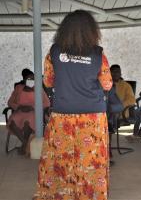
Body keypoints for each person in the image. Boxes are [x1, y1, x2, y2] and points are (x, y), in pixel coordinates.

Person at [34, 10, 113, 200]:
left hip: (63, 114)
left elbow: (49, 81)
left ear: (64, 30)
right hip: (93, 117)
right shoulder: (98, 55)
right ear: (91, 31)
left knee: (60, 158)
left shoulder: (53, 52)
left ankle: (59, 195)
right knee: (91, 161)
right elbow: (107, 83)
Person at [7, 76, 50, 155]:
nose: (30, 81)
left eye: (32, 79)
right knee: (13, 122)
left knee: (27, 123)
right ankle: (26, 145)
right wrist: (19, 107)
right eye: (28, 79)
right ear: (24, 79)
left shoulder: (38, 89)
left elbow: (47, 103)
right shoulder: (18, 88)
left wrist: (32, 107)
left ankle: (24, 146)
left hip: (33, 112)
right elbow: (10, 102)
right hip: (20, 111)